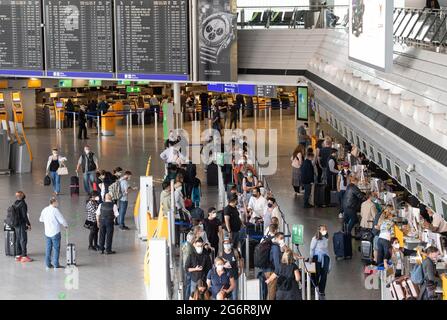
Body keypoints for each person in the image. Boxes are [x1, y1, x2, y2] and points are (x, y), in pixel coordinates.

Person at [39, 197, 68, 270]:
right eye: (56, 202)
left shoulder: (45, 209)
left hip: (47, 232)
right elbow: (61, 220)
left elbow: (41, 219)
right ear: (53, 202)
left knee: (48, 248)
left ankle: (48, 264)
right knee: (56, 248)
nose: (57, 203)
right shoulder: (55, 210)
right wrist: (66, 225)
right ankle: (56, 264)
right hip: (55, 232)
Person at [263, 232, 285, 300]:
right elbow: (276, 263)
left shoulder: (273, 246)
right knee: (271, 294)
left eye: (283, 238)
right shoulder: (275, 247)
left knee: (270, 292)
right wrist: (277, 273)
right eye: (281, 238)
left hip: (268, 270)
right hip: (272, 272)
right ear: (276, 238)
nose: (282, 240)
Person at [310, 225, 331, 298]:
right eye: (323, 229)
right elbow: (312, 249)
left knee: (324, 274)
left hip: (325, 257)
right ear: (319, 230)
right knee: (317, 273)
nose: (325, 230)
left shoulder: (326, 238)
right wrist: (311, 258)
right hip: (316, 258)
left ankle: (322, 290)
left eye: (325, 229)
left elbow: (326, 249)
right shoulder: (315, 239)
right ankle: (315, 286)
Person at [12, 191, 32, 262]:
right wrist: (28, 224)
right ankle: (24, 256)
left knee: (17, 239)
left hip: (16, 224)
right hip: (21, 224)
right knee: (23, 239)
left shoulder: (15, 202)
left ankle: (18, 255)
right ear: (22, 195)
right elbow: (24, 216)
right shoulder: (23, 204)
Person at [183, 232, 196, 300]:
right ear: (192, 239)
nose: (194, 240)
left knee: (188, 285)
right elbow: (189, 260)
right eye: (194, 238)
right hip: (189, 269)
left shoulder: (186, 244)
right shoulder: (189, 247)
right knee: (188, 285)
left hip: (187, 268)